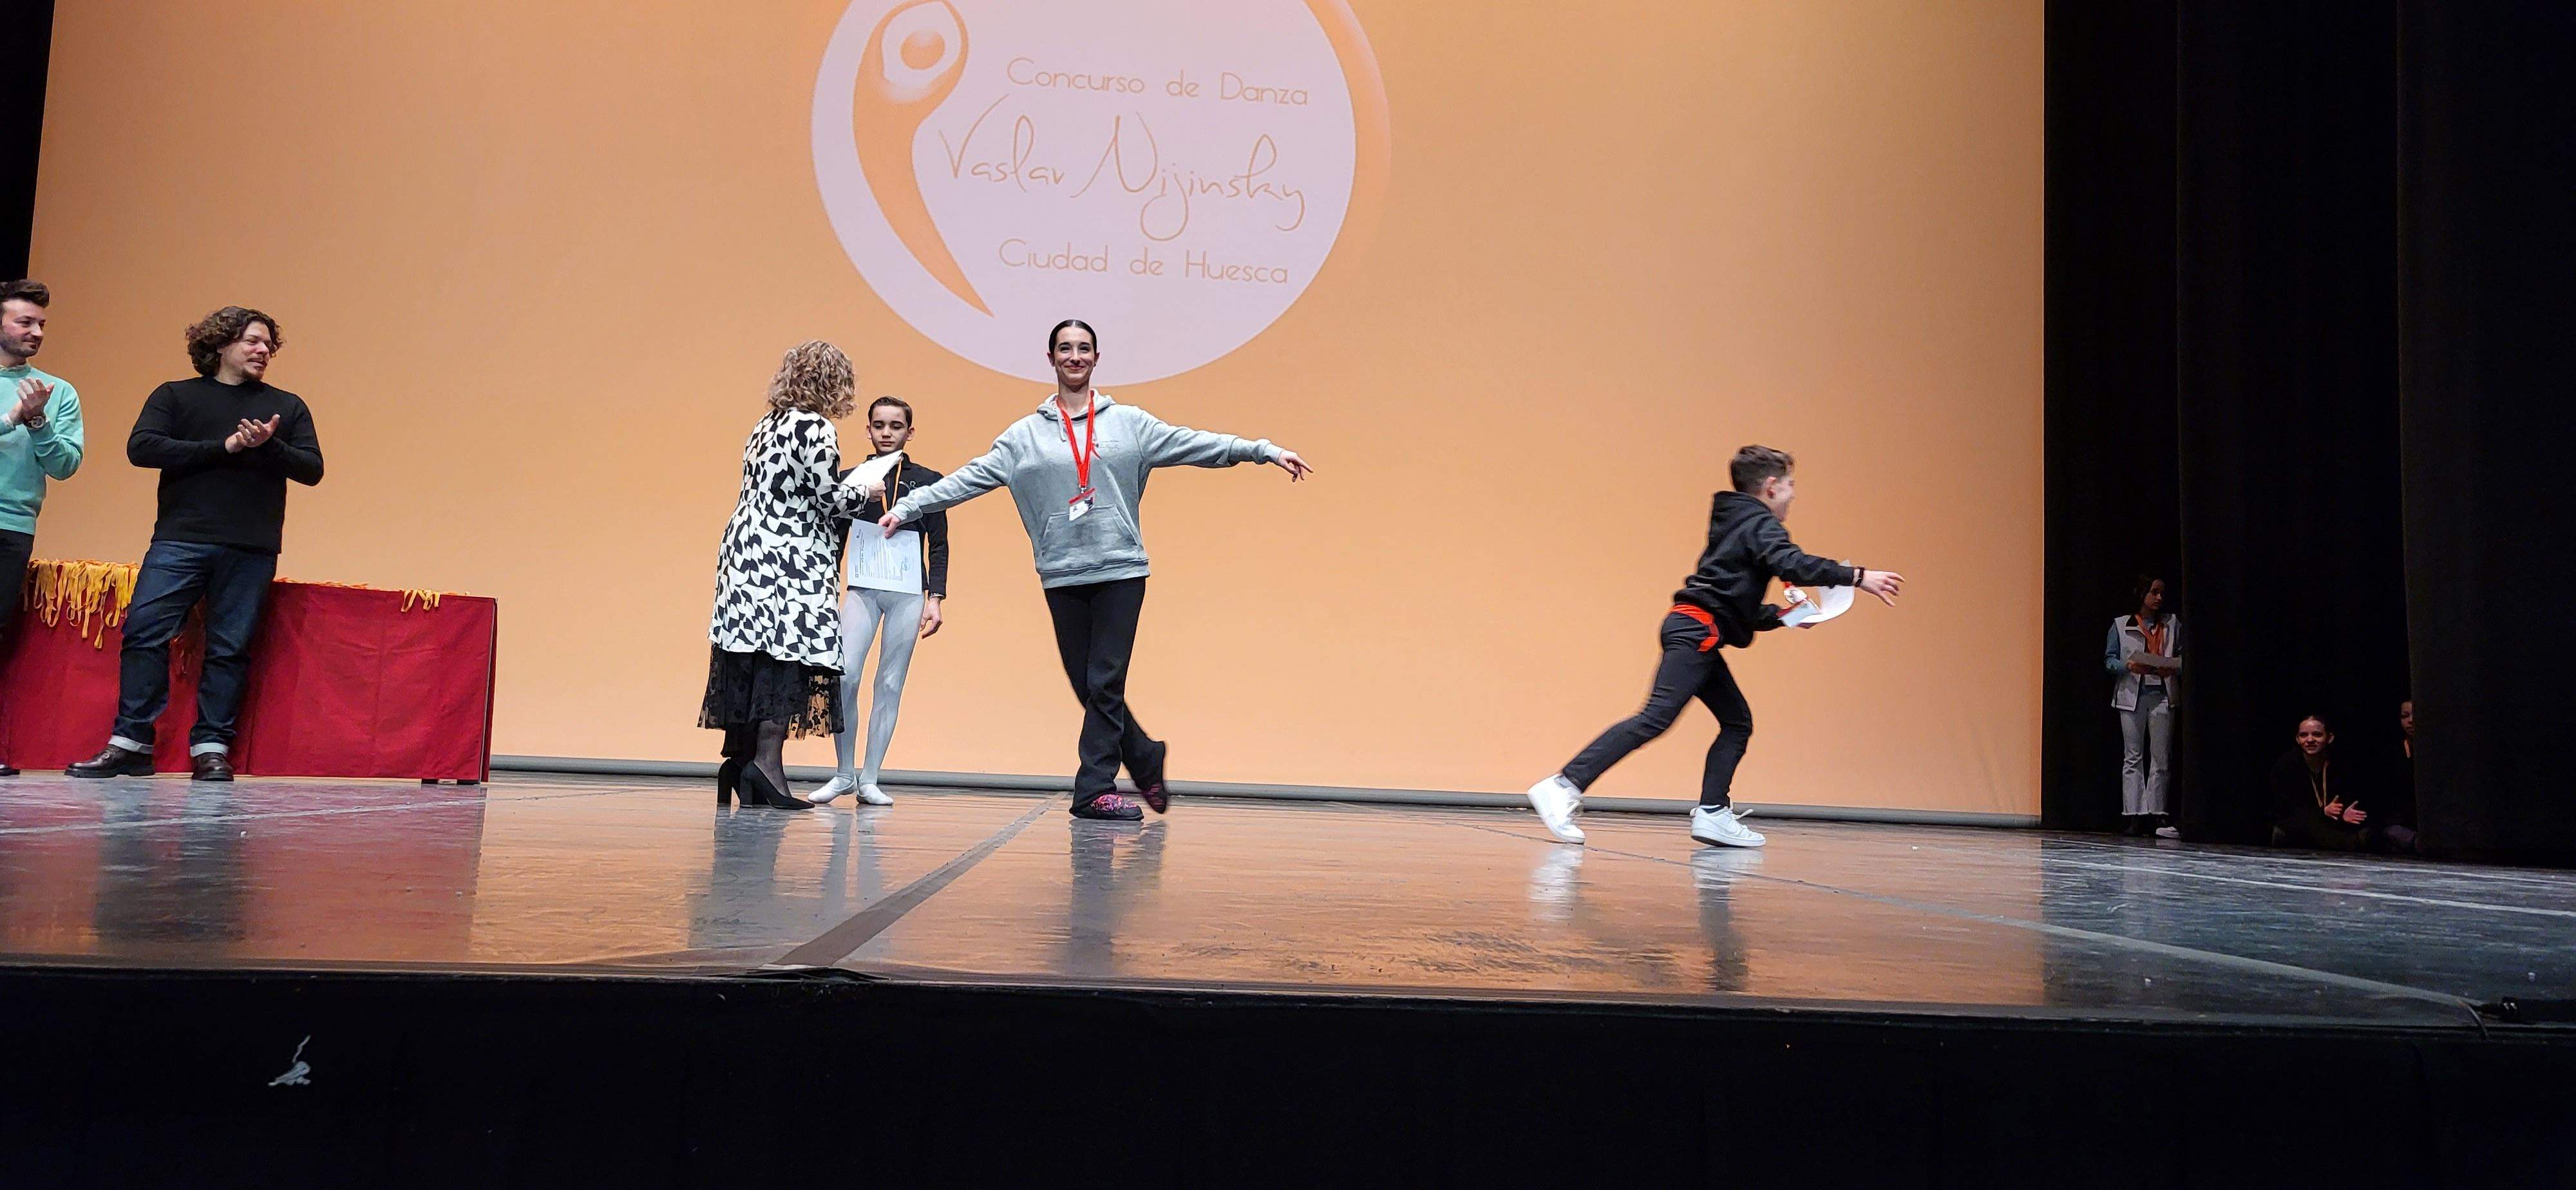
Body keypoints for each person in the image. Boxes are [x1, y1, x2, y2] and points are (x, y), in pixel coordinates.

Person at [879, 319, 1313, 821]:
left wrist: (1263, 451)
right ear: (1051, 359)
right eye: (1065, 348)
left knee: (1105, 682)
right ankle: (1145, 755)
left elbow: (1198, 444)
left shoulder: (1129, 424)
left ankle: (1094, 790)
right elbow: (968, 479)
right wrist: (908, 508)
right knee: (1087, 685)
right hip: (1062, 573)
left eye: (1084, 348)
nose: (1075, 356)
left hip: (1121, 569)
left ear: (1096, 357)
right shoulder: (1024, 436)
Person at [1526, 445, 1904, 847]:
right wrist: (1857, 576)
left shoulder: (1737, 522)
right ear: (1772, 487)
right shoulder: (1760, 524)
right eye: (1791, 485)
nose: (1794, 495)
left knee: (1737, 722)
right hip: (1696, 632)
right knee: (1655, 718)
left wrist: (1783, 616)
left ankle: (1712, 814)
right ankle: (1563, 785)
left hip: (1697, 629)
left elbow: (1731, 600)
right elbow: (1792, 563)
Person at [68, 307, 322, 782]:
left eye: (268, 344)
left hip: (251, 545)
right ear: (221, 344)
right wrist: (222, 448)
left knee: (229, 647)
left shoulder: (286, 406)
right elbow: (142, 448)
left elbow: (312, 469)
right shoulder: (176, 396)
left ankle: (211, 748)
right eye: (252, 341)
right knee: (145, 630)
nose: (263, 350)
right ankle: (132, 743)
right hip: (181, 540)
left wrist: (269, 445)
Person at [702, 341, 880, 811]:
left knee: (751, 654)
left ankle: (737, 763)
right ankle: (767, 765)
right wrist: (866, 488)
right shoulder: (815, 428)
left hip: (746, 551)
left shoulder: (766, 424)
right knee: (786, 656)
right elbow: (829, 499)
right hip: (789, 557)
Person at [809, 395, 949, 808]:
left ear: (909, 431)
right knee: (845, 675)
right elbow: (833, 538)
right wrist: (824, 587)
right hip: (862, 588)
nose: (887, 433)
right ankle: (843, 773)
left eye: (896, 426)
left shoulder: (927, 480)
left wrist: (936, 597)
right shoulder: (849, 479)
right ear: (868, 430)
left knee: (889, 683)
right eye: (880, 426)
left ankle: (870, 778)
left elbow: (938, 545)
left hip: (907, 591)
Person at [0, 279, 84, 779]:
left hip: (13, 524)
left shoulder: (59, 392)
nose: (36, 332)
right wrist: (13, 416)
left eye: (41, 325)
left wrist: (38, 423)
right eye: (24, 321)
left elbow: (67, 465)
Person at [2107, 575, 2181, 837]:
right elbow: (2110, 661)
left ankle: (2158, 814)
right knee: (2133, 756)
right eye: (2154, 592)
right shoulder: (2121, 624)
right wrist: (2128, 666)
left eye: (2162, 593)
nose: (2159, 598)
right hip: (2132, 697)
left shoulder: (2172, 624)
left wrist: (2174, 667)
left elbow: (2182, 656)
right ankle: (2134, 816)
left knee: (2161, 757)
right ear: (2142, 595)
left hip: (2162, 694)